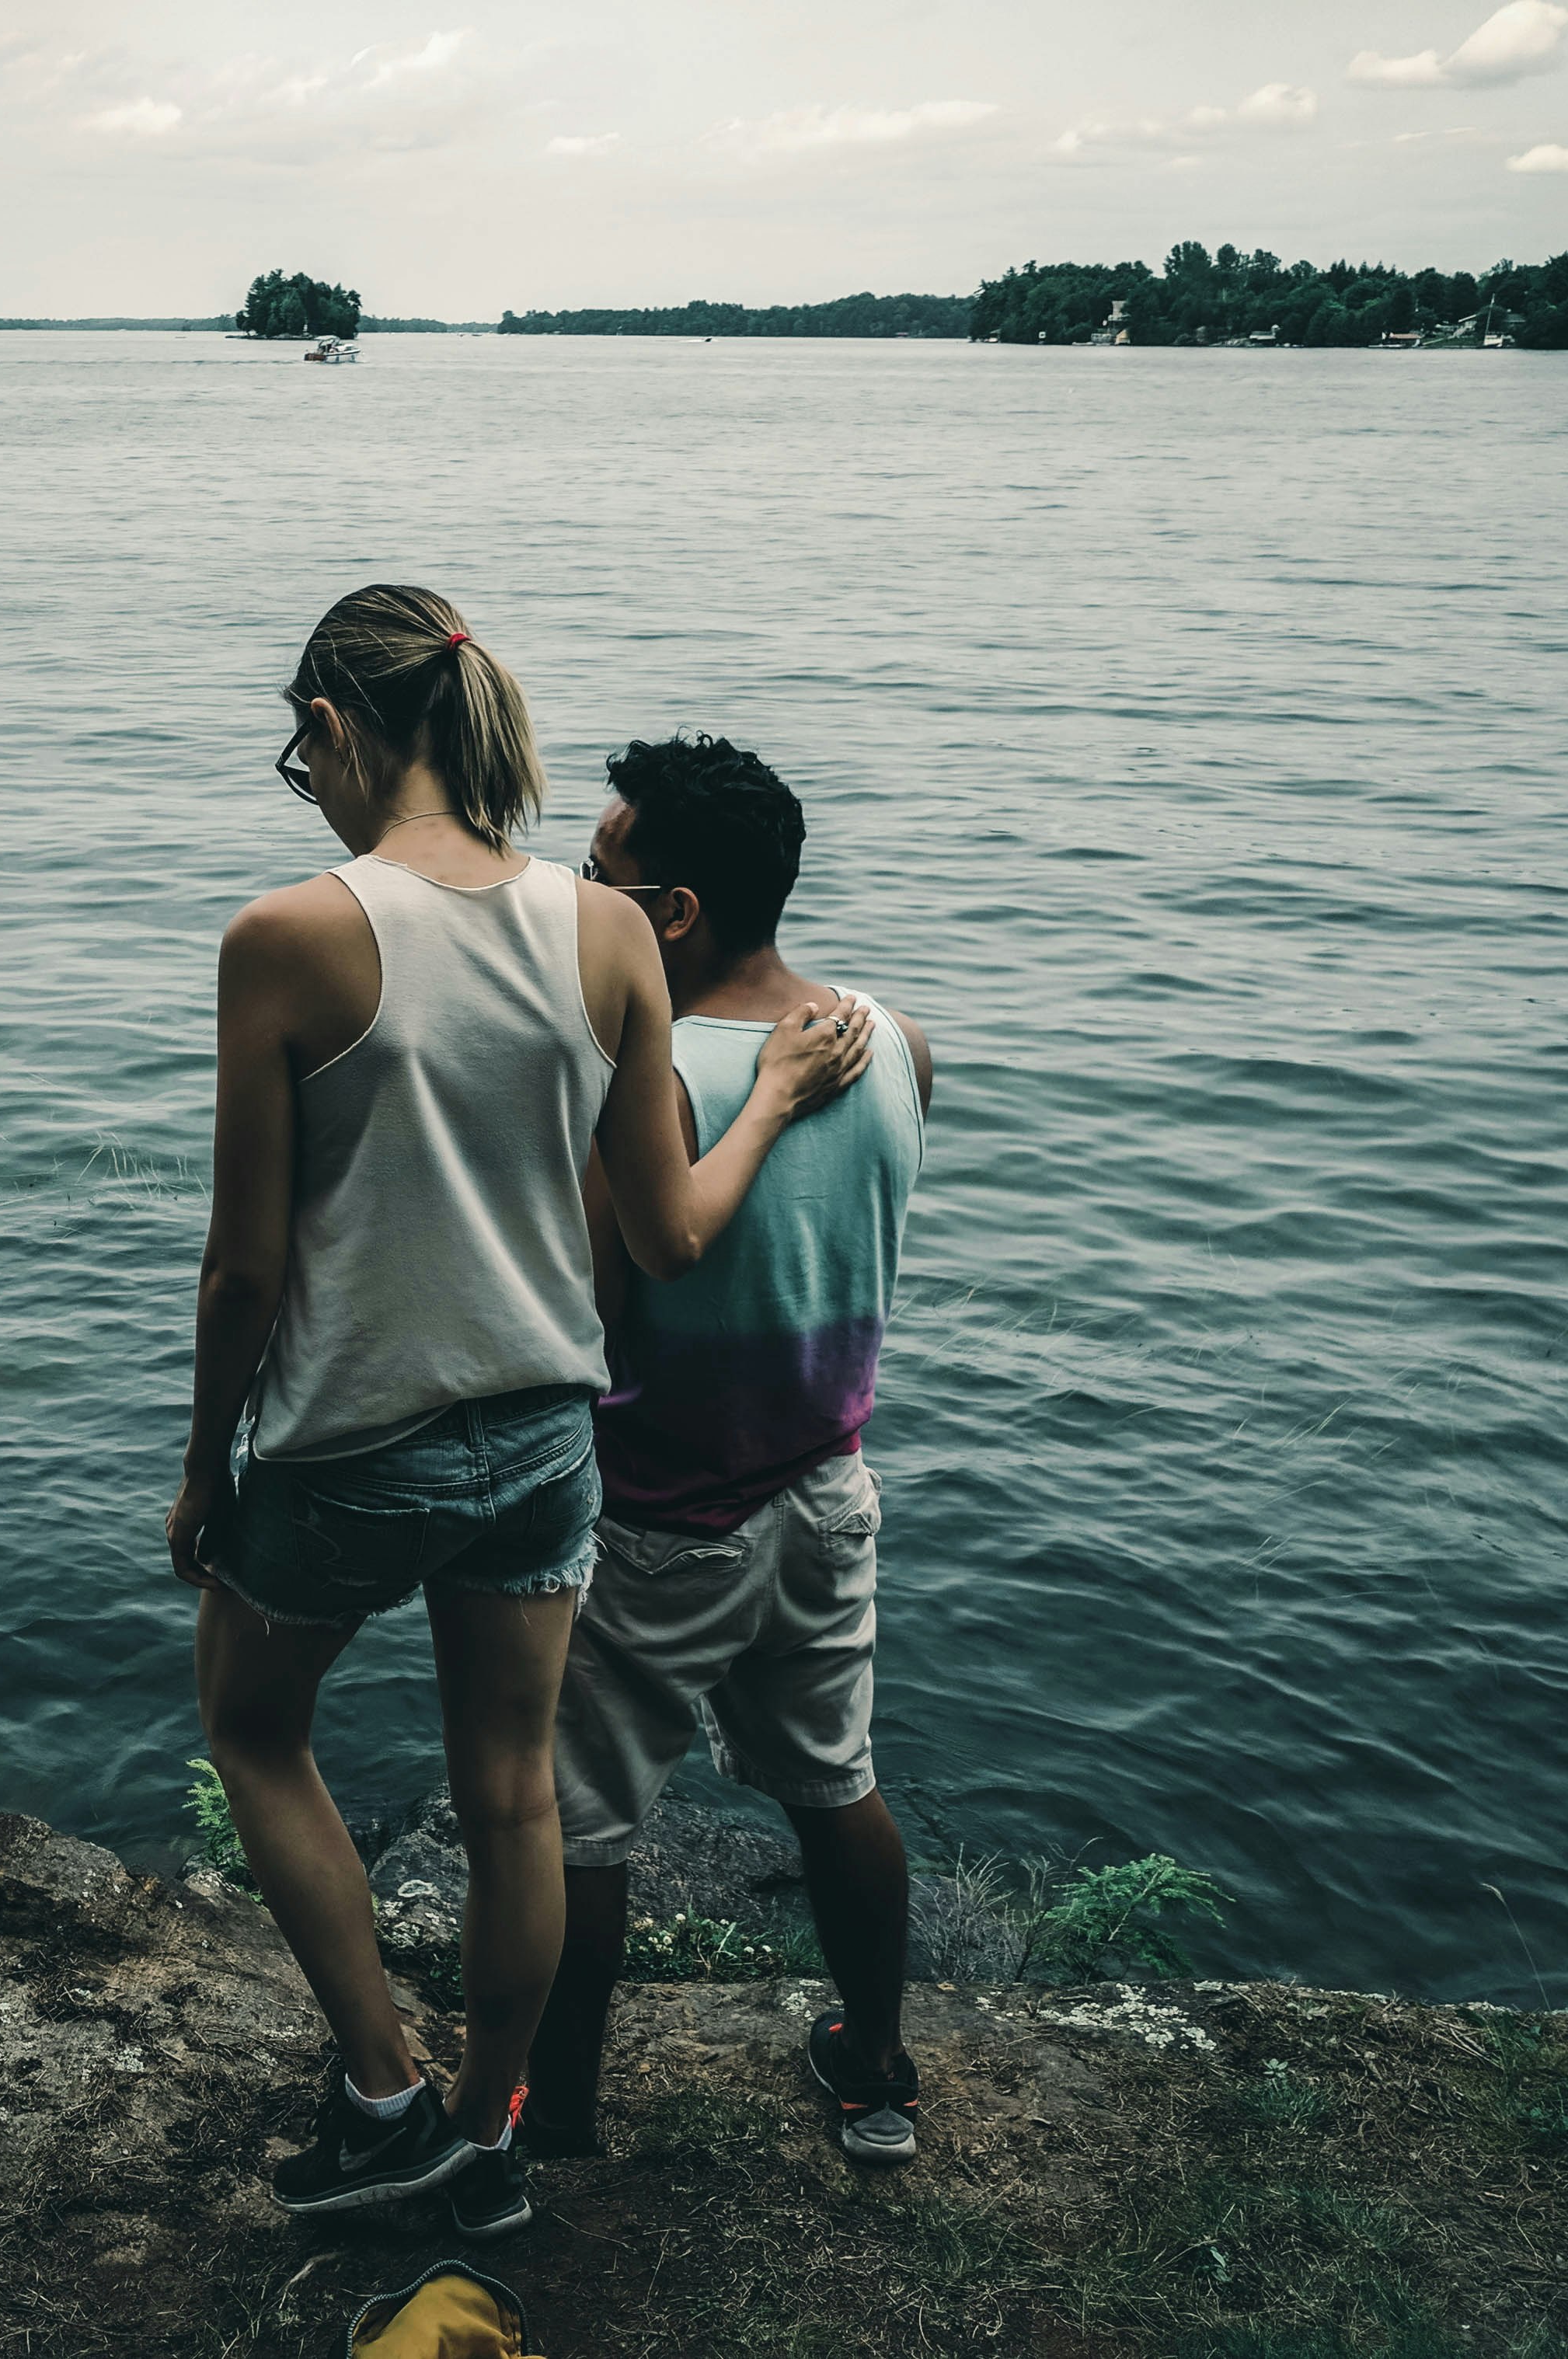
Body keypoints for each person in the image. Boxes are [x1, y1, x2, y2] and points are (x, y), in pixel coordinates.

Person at [166, 590, 876, 2242]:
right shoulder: (606, 929)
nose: (307, 784)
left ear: (336, 729)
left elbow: (241, 1274)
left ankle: (382, 2099)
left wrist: (204, 1468)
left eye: (301, 754)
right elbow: (669, 1235)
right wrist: (766, 1095)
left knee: (254, 1728)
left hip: (356, 1444)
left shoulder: (289, 936)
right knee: (510, 1800)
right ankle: (490, 2136)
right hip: (549, 1442)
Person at [525, 732, 935, 2166]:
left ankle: (558, 2116)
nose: (579, 893)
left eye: (600, 872)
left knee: (578, 1825)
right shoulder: (893, 1042)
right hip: (827, 1492)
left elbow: (591, 1305)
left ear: (674, 912)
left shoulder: (651, 1083)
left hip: (654, 1516)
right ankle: (876, 2072)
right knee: (837, 1784)